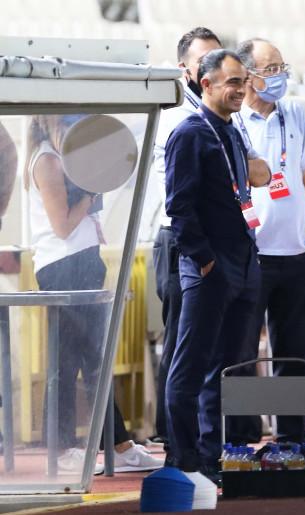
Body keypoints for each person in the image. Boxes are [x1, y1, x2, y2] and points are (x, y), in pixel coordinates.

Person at [25, 115, 163, 474]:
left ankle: (117, 444)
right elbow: (63, 225)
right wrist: (90, 193)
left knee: (93, 361)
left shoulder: (58, 157)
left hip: (82, 261)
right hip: (64, 266)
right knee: (68, 362)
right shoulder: (48, 161)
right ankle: (63, 449)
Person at [152, 27, 269, 447]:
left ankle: (213, 454)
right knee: (191, 366)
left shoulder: (232, 130)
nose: (241, 90)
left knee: (227, 367)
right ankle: (184, 458)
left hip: (241, 261)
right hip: (209, 265)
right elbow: (179, 207)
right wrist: (204, 260)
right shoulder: (188, 132)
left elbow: (255, 181)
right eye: (233, 82)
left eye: (244, 81)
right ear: (206, 83)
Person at [235, 38, 305, 444]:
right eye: (270, 70)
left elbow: (302, 178)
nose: (279, 77)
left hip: (298, 252)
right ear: (248, 75)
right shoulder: (234, 120)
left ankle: (291, 437)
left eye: (281, 68)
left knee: (295, 352)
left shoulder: (294, 113)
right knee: (242, 352)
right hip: (254, 254)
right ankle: (241, 439)